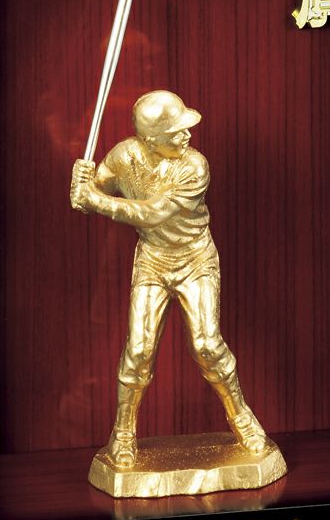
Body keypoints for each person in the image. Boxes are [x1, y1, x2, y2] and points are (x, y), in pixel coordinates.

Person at [70, 90, 267, 468]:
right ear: (149, 139)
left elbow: (153, 213)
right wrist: (83, 185)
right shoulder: (124, 156)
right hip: (153, 261)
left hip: (195, 259)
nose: (186, 135)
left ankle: (241, 416)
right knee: (139, 351)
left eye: (185, 127)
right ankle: (123, 432)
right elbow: (91, 194)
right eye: (175, 131)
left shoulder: (195, 166)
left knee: (207, 345)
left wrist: (95, 201)